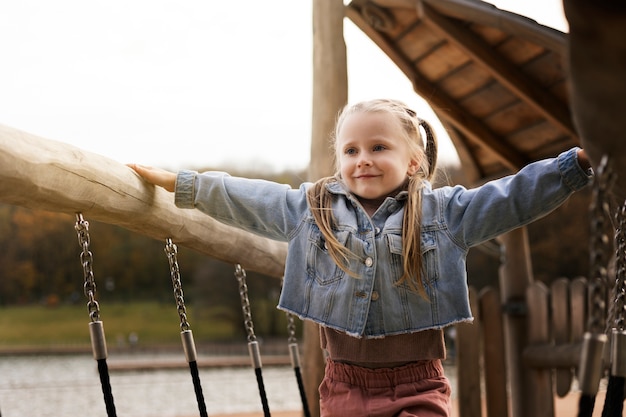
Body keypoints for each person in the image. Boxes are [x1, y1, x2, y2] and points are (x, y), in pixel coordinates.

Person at [129, 98, 593, 417]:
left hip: (419, 385)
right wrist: (183, 184)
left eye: (378, 148)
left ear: (413, 161)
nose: (362, 160)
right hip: (345, 386)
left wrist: (574, 164)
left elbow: (511, 197)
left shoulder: (444, 214)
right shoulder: (313, 210)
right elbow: (250, 198)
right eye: (350, 150)